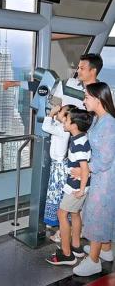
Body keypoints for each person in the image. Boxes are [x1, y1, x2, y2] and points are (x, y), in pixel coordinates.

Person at [71, 82, 115, 276]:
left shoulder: (110, 124)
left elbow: (105, 160)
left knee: (97, 215)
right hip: (99, 176)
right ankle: (105, 250)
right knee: (100, 214)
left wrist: (84, 172)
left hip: (105, 178)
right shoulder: (99, 119)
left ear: (98, 99)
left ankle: (94, 261)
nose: (84, 100)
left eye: (86, 97)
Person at [46, 108, 93, 265]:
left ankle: (67, 254)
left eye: (66, 120)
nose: (63, 122)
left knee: (62, 214)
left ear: (74, 124)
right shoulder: (80, 138)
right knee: (75, 213)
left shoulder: (78, 143)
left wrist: (80, 189)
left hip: (75, 187)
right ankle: (76, 246)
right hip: (76, 185)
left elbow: (84, 169)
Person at [3, 53, 103, 109]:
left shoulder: (101, 93)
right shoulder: (70, 83)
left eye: (82, 68)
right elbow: (45, 87)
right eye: (78, 68)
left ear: (93, 71)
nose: (78, 71)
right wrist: (15, 83)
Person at [42, 104, 75, 242]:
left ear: (67, 117)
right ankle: (57, 224)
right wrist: (55, 114)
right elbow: (53, 125)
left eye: (61, 111)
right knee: (56, 195)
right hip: (58, 166)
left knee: (56, 196)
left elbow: (46, 127)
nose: (58, 112)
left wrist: (51, 114)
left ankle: (62, 230)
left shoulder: (63, 130)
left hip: (59, 168)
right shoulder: (62, 128)